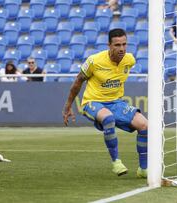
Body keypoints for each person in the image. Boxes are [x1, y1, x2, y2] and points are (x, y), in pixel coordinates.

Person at [63, 29, 148, 178]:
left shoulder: (130, 60)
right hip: (92, 102)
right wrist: (68, 106)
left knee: (145, 126)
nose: (121, 48)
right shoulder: (94, 61)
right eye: (117, 45)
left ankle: (143, 169)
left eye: (124, 44)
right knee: (108, 118)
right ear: (109, 45)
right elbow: (78, 81)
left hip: (116, 103)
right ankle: (116, 162)